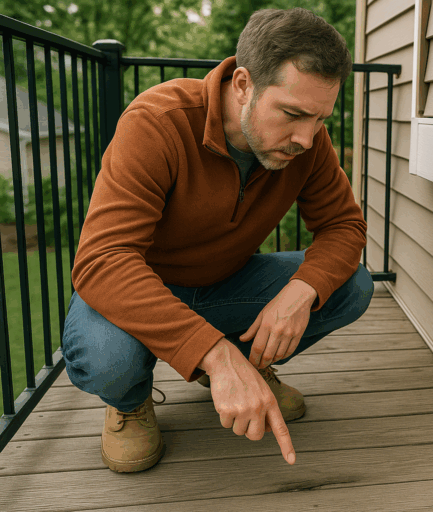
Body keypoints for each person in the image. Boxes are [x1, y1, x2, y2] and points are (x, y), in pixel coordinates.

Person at [61, 8, 372, 473]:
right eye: (292, 114)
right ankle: (131, 402)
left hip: (225, 283)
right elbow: (102, 260)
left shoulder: (308, 142)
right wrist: (214, 352)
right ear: (244, 84)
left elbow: (345, 226)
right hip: (138, 292)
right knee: (109, 359)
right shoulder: (158, 121)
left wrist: (301, 292)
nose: (306, 139)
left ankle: (245, 368)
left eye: (320, 119)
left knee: (352, 286)